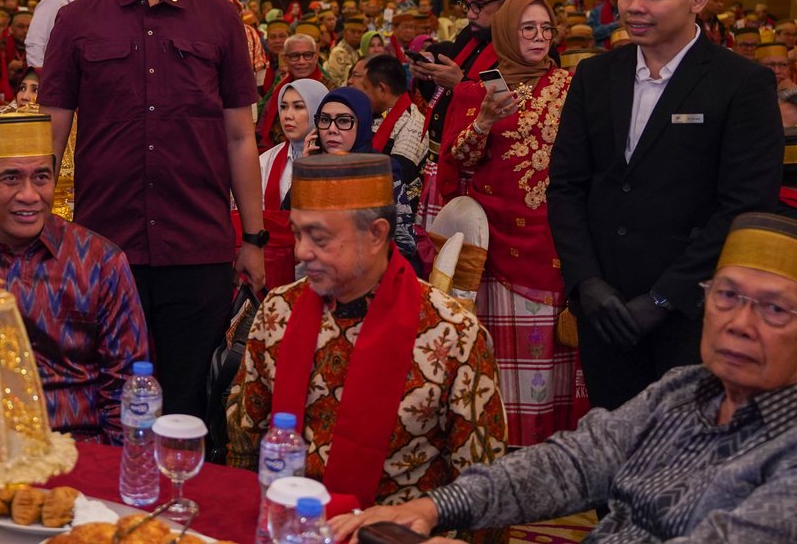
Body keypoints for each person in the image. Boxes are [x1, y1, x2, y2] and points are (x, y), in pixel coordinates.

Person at [335, 211, 797, 544]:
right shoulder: (683, 391)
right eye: (727, 295)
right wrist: (434, 506)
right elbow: (573, 463)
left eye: (774, 308)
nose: (739, 323)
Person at [40, 0, 265, 416]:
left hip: (197, 245)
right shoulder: (76, 21)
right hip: (106, 244)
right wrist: (37, 224)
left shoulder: (219, 19)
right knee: (109, 397)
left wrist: (254, 238)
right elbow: (51, 132)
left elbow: (240, 136)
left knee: (190, 402)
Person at [550, 0, 783, 412]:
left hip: (692, 311)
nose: (634, 6)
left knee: (686, 444)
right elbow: (567, 186)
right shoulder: (596, 76)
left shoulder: (741, 83)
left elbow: (744, 205)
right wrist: (587, 282)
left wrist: (663, 299)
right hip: (605, 308)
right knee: (611, 441)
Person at [226, 154, 507, 514]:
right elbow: (245, 444)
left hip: (394, 532)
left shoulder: (452, 334)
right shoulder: (279, 310)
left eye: (319, 238)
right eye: (297, 234)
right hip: (283, 523)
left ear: (375, 234)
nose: (301, 251)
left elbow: (483, 488)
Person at [0, 114, 149, 443]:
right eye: (11, 178)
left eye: (41, 177)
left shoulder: (99, 263)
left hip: (77, 451)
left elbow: (128, 390)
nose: (30, 195)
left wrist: (111, 466)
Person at [441, 0, 582, 445]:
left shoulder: (573, 87)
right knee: (500, 353)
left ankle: (552, 449)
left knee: (554, 353)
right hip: (496, 242)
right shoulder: (475, 91)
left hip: (557, 238)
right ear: (505, 33)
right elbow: (460, 161)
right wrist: (483, 121)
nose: (540, 38)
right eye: (527, 29)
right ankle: (500, 444)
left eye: (546, 28)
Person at [411, 0, 538, 229]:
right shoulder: (471, 35)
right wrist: (430, 76)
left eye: (479, 6)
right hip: (445, 162)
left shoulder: (528, 48)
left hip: (487, 177)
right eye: (466, 5)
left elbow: (517, 112)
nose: (470, 14)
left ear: (509, 3)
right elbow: (450, 97)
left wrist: (461, 84)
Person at [306, 87, 419, 272]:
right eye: (325, 120)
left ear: (363, 124)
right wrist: (306, 172)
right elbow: (289, 229)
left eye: (343, 121)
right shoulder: (315, 168)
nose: (332, 130)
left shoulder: (381, 172)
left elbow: (404, 243)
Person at [258, 79, 329, 290]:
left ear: (318, 112)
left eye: (298, 107)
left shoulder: (335, 163)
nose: (287, 115)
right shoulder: (265, 161)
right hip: (274, 267)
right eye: (283, 107)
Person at [357, 54, 427, 191]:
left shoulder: (413, 125)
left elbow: (398, 178)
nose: (362, 92)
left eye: (365, 87)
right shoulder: (375, 113)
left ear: (382, 89)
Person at [257, 32, 323, 147]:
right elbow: (263, 119)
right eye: (294, 56)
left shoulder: (328, 88)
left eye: (307, 55)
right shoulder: (280, 85)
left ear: (315, 58)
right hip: (276, 149)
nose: (301, 62)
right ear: (285, 59)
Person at [26, 0, 85, 71]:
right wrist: (40, 76)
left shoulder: (71, 4)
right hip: (53, 75)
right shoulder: (52, 2)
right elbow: (35, 42)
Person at [322, 17, 364, 88]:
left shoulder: (357, 52)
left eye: (360, 32)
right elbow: (344, 82)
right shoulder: (338, 52)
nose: (356, 35)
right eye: (353, 31)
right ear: (344, 32)